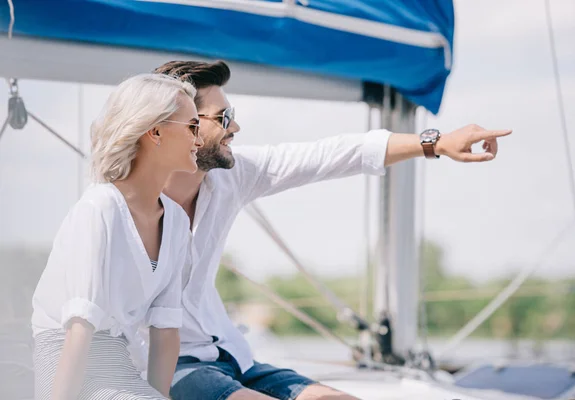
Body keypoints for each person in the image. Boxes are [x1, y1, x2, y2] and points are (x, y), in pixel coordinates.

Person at [154, 60, 512, 400]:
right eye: (223, 117)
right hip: (171, 368)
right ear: (183, 124)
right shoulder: (122, 205)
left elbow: (333, 154)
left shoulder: (232, 178)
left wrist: (435, 143)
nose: (235, 128)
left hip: (233, 356)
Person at [31, 73, 204, 400]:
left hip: (121, 367)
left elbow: (165, 331)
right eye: (192, 127)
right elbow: (80, 329)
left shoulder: (177, 222)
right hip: (69, 364)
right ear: (155, 132)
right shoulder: (99, 208)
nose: (199, 140)